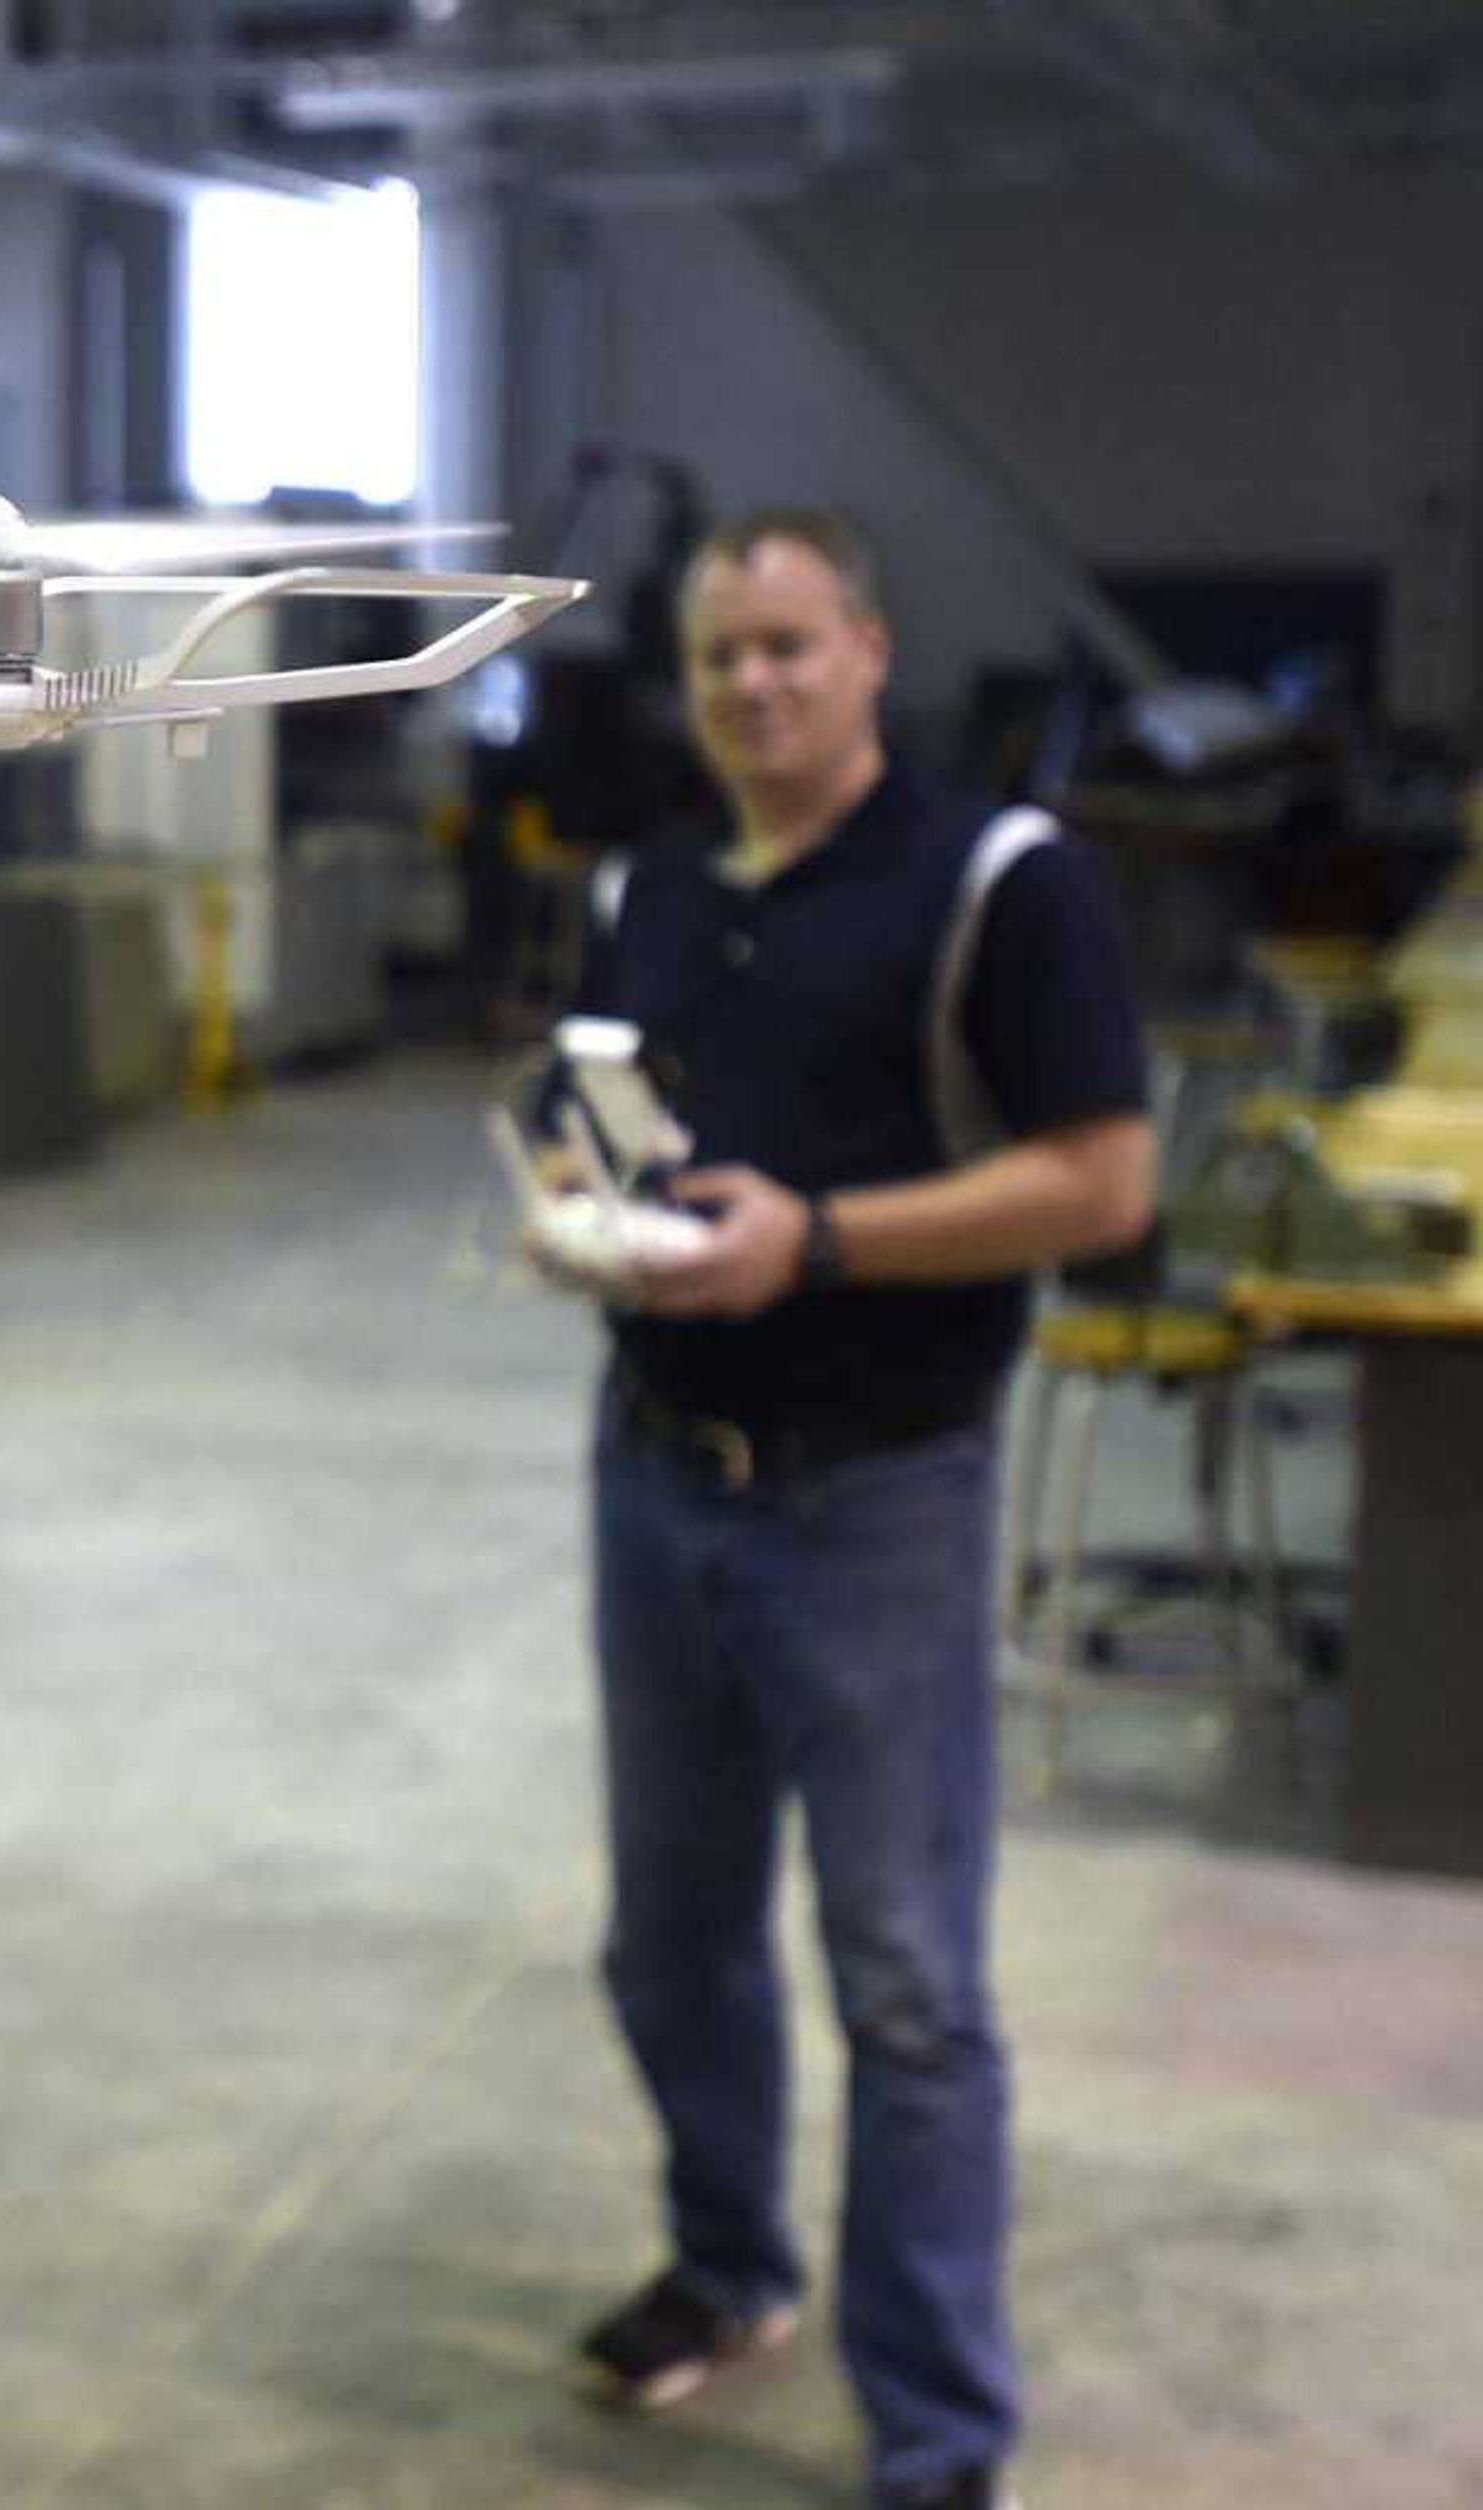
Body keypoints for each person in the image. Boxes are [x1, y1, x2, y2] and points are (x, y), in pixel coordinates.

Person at [556, 507, 1154, 2510]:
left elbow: (1100, 1184)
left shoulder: (1000, 880)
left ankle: (938, 2434)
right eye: (724, 653)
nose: (755, 685)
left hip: (876, 1502)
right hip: (653, 1477)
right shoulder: (646, 881)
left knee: (904, 1984)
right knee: (671, 1943)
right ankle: (732, 2272)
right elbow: (617, 1118)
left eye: (793, 646)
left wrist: (815, 1242)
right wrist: (590, 1221)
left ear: (873, 651)